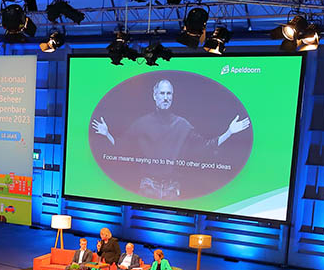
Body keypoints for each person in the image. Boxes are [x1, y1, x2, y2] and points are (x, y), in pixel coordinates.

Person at [91, 77, 250, 198]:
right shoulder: (142, 123)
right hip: (147, 186)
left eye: (169, 94)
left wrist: (229, 132)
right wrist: (107, 134)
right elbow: (123, 147)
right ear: (154, 96)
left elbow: (205, 147)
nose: (165, 97)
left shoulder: (183, 125)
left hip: (172, 188)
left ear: (173, 97)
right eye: (162, 93)